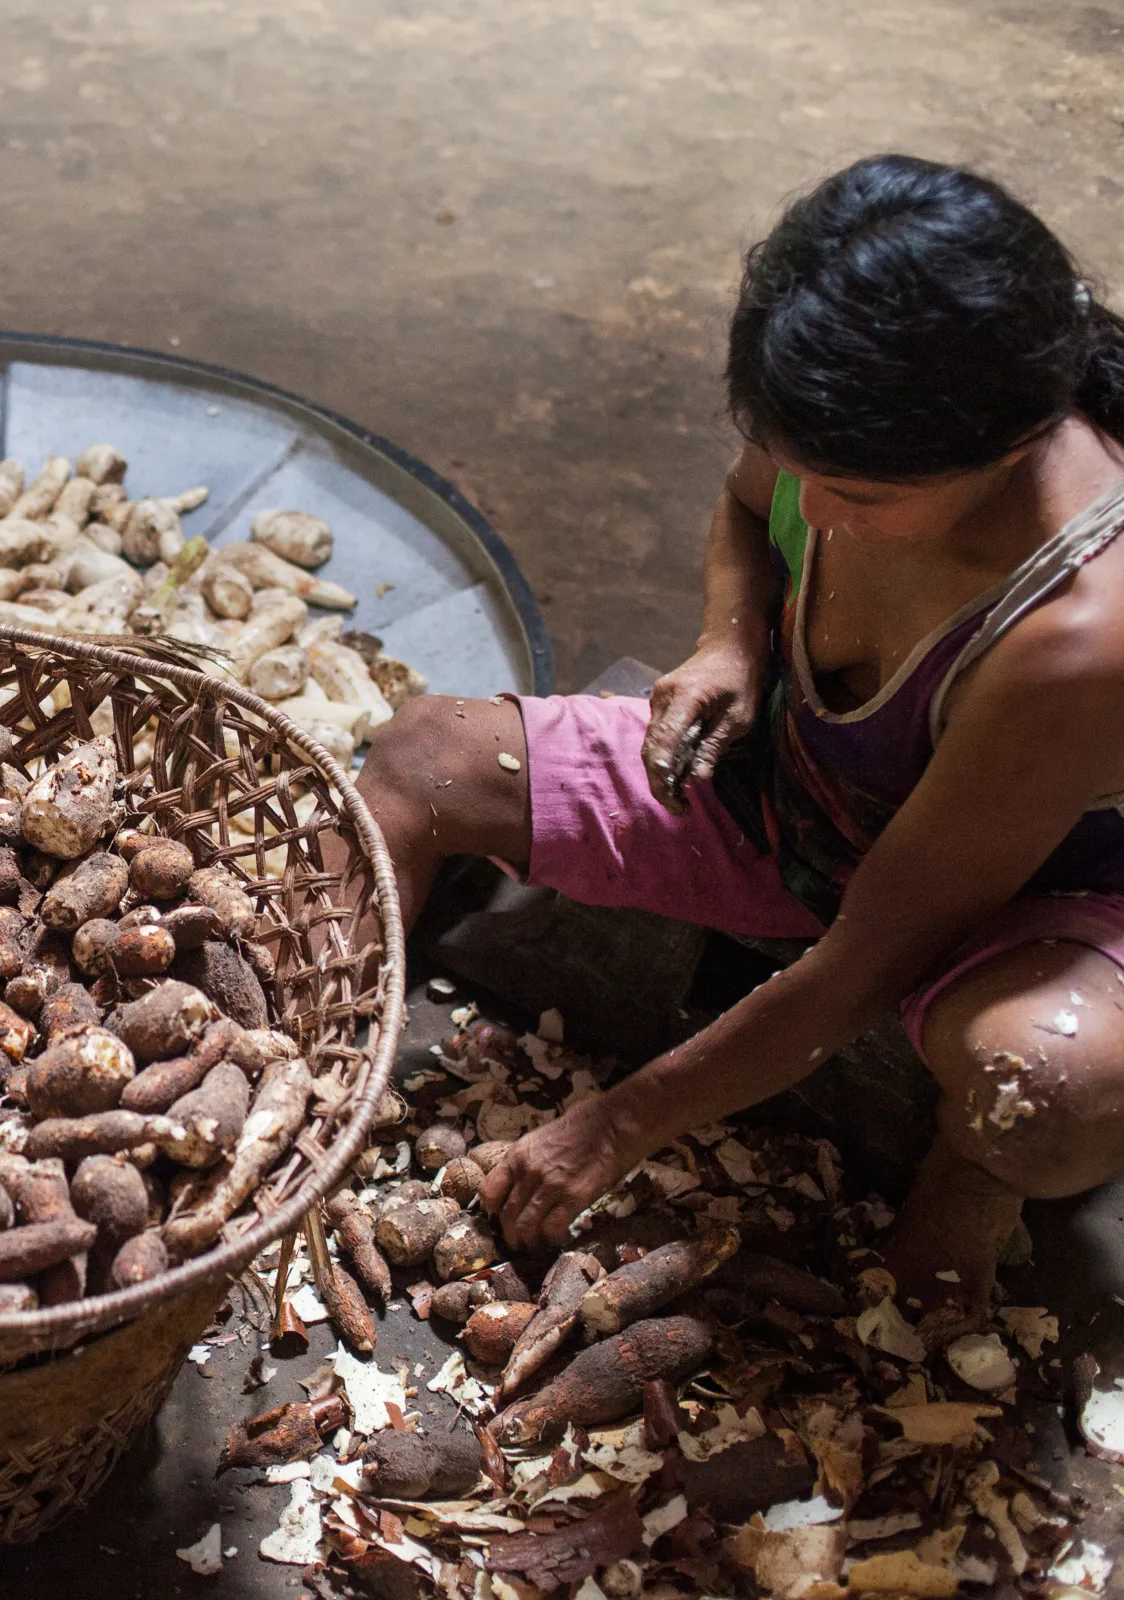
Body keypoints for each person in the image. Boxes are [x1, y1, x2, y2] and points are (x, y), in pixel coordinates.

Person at [354, 154, 1124, 1317]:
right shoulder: (843, 394)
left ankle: (968, 1188)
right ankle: (315, 1067)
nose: (816, 515)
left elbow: (876, 951)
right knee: (421, 757)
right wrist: (734, 641)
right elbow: (748, 505)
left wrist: (616, 1124)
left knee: (1039, 1086)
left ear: (1010, 448)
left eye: (858, 499)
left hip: (1011, 901)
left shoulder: (1079, 631)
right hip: (800, 787)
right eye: (804, 470)